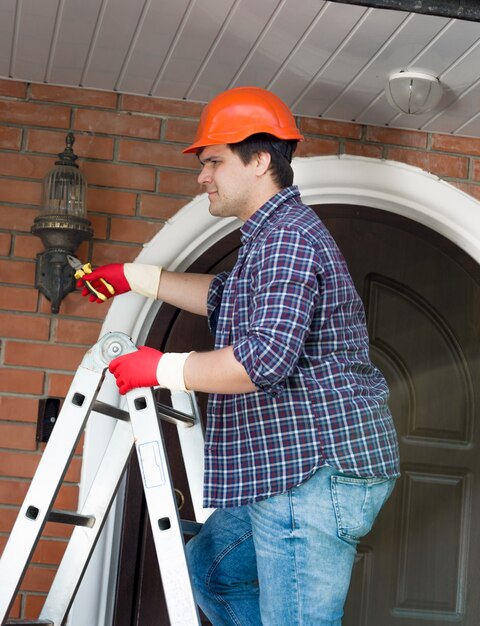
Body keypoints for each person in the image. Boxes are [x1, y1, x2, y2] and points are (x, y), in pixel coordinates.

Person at [78, 86, 400, 626]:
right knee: (212, 571)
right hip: (286, 468)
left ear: (259, 160)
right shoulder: (269, 238)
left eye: (212, 162)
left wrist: (159, 368)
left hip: (312, 471)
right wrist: (136, 278)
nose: (202, 176)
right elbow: (225, 297)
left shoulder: (288, 240)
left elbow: (261, 361)